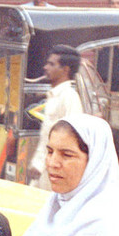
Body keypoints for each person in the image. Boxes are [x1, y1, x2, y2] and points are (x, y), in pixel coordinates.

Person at [30, 45, 84, 189]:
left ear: (65, 70)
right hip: (44, 169)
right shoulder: (54, 96)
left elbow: (71, 139)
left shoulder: (69, 97)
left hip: (55, 172)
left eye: (51, 64)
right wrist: (38, 163)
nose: (46, 67)